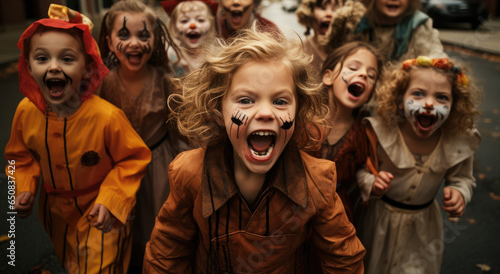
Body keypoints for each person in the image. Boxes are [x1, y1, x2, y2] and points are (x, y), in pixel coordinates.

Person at [143, 29, 365, 273]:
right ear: (218, 111)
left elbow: (345, 260)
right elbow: (165, 255)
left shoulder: (317, 181)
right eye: (246, 100)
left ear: (298, 112)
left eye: (280, 101)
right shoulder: (190, 174)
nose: (266, 113)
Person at [4, 4, 151, 273]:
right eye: (42, 58)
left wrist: (112, 198)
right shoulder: (25, 112)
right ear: (27, 65)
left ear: (87, 67)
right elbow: (18, 157)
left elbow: (133, 159)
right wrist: (21, 185)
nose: (54, 67)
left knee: (98, 268)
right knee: (70, 263)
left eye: (67, 59)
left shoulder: (107, 117)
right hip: (54, 213)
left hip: (100, 211)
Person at [355, 56, 481, 273]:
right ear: (400, 98)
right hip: (377, 222)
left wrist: (460, 193)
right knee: (369, 266)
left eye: (441, 97)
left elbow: (462, 178)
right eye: (418, 94)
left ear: (455, 104)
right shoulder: (383, 132)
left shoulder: (456, 142)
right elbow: (360, 169)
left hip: (422, 228)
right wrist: (371, 182)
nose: (430, 104)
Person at [97, 0, 186, 271]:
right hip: (118, 174)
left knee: (159, 232)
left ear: (155, 40)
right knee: (124, 238)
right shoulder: (103, 85)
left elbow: (181, 132)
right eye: (124, 34)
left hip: (160, 170)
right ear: (110, 42)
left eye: (143, 35)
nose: (134, 42)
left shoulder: (165, 81)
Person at [315, 41, 382, 221]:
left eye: (371, 75)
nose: (363, 75)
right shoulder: (302, 121)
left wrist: (372, 183)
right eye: (353, 68)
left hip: (337, 216)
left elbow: (361, 168)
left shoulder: (364, 134)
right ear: (328, 77)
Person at [161, 0, 218, 77]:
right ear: (174, 27)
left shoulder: (216, 55)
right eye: (184, 21)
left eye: (200, 20)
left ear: (211, 25)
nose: (193, 25)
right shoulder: (170, 56)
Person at [295, 0, 346, 69]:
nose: (329, 14)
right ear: (310, 13)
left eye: (335, 9)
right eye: (322, 8)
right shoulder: (300, 52)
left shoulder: (351, 50)